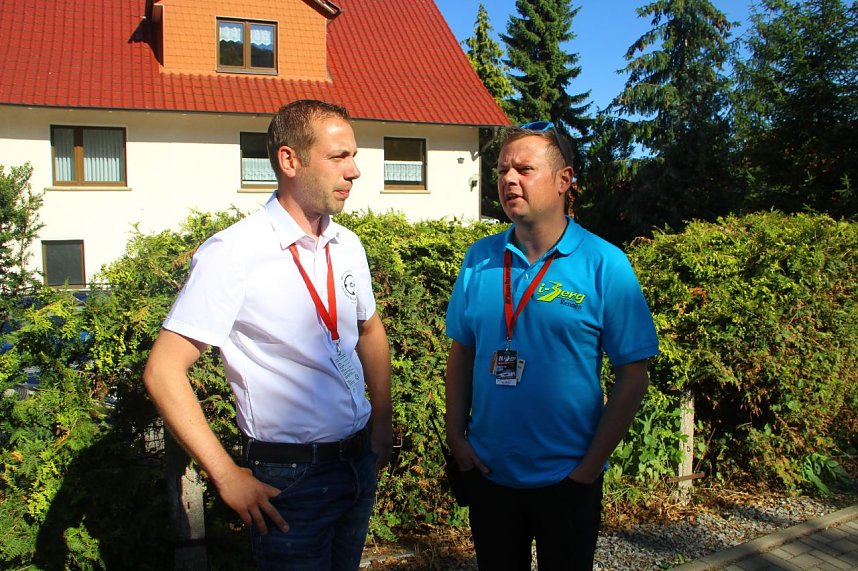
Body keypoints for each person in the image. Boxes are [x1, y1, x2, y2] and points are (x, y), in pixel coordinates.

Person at [143, 99, 392, 570]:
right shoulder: (233, 252)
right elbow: (162, 370)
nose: (355, 170)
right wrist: (224, 475)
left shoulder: (348, 243)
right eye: (338, 157)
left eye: (353, 156)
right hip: (289, 480)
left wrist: (381, 423)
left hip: (357, 463)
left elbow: (369, 330)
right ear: (289, 160)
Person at [444, 122, 659, 570]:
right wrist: (456, 438)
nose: (508, 179)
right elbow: (461, 353)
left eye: (524, 168)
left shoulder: (605, 264)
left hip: (567, 480)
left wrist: (588, 469)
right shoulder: (479, 258)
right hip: (490, 475)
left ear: (564, 181)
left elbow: (633, 375)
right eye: (502, 169)